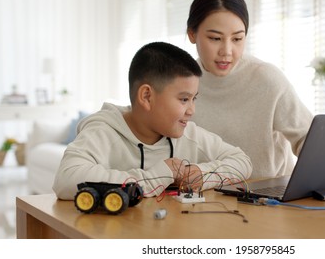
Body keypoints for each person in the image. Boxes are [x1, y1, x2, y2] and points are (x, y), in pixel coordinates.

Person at [53, 42, 252, 200]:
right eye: (184, 99)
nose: (192, 110)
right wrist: (158, 176)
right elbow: (66, 179)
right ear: (147, 96)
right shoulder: (103, 132)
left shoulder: (187, 134)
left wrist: (201, 173)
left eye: (194, 98)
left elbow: (242, 162)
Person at [187, 0, 313, 179]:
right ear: (192, 34)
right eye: (215, 38)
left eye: (237, 39)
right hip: (207, 195)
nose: (227, 51)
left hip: (270, 197)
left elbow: (309, 139)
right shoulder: (182, 83)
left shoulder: (267, 79)